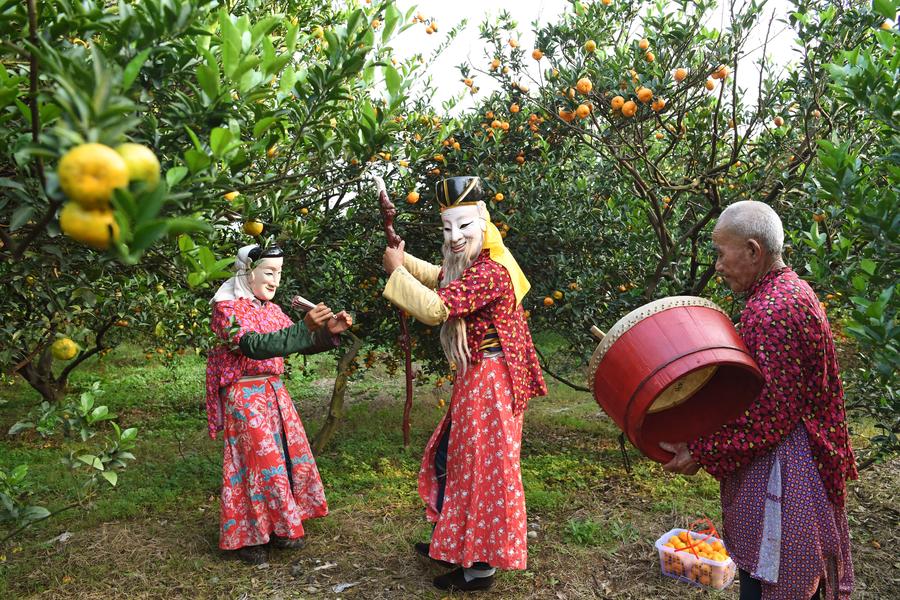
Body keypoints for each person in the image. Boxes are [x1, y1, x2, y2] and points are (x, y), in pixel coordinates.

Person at [661, 201, 857, 599]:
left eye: (721, 253)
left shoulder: (772, 312)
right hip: (797, 463)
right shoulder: (790, 291)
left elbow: (767, 415)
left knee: (771, 583)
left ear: (753, 250)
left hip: (786, 472)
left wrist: (701, 449)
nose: (716, 265)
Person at [381, 176, 547, 591]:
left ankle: (479, 568)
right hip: (480, 376)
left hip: (491, 380)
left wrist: (395, 275)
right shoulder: (478, 264)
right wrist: (404, 262)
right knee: (457, 460)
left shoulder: (491, 272)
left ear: (483, 224)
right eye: (447, 228)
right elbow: (443, 277)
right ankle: (455, 541)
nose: (455, 237)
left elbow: (438, 308)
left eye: (464, 227)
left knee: (482, 469)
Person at [206, 243, 352, 564]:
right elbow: (254, 346)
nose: (275, 281)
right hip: (244, 397)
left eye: (279, 273)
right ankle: (249, 538)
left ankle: (277, 527)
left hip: (273, 394)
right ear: (247, 271)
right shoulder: (226, 310)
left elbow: (294, 340)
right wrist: (305, 326)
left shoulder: (270, 310)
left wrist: (327, 333)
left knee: (281, 459)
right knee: (255, 465)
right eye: (268, 272)